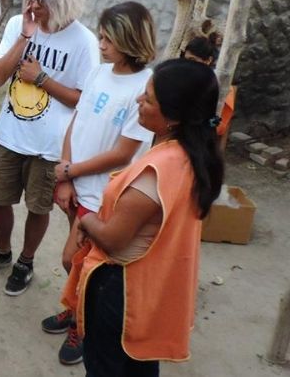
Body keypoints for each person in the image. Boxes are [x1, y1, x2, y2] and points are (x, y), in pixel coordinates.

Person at [61, 59, 224, 376]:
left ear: (173, 117)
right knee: (138, 366)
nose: (139, 100)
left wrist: (86, 221)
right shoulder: (192, 158)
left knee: (106, 367)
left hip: (119, 290)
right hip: (152, 290)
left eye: (148, 98)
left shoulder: (157, 171)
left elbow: (112, 240)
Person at [0, 0, 100, 297]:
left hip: (50, 145)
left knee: (37, 207)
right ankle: (2, 251)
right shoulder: (19, 24)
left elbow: (82, 101)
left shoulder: (83, 42)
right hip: (10, 134)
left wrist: (42, 79)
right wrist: (25, 37)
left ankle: (26, 261)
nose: (33, 5)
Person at [41, 1, 156, 365]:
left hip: (106, 194)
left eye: (107, 37)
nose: (101, 44)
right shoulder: (98, 72)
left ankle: (81, 322)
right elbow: (76, 121)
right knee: (79, 262)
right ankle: (75, 307)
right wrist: (65, 171)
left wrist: (71, 173)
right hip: (76, 183)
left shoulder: (144, 87)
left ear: (128, 39)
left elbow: (124, 153)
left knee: (75, 260)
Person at [181, 33, 235, 138]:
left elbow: (220, 121)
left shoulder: (219, 86)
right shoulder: (184, 80)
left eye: (193, 60)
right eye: (186, 60)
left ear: (208, 60)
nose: (187, 65)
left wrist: (208, 128)